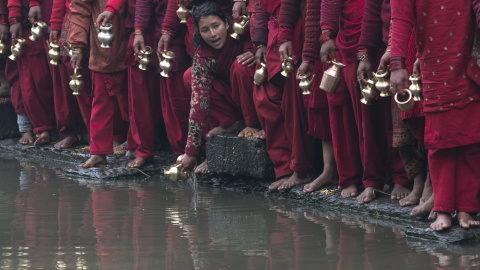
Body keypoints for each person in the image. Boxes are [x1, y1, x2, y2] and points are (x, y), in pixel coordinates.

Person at [390, 0, 480, 231]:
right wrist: (398, 64)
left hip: (468, 55)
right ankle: (442, 207)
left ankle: (466, 207)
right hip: (435, 61)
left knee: (470, 137)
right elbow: (400, 17)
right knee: (440, 139)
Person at [180, 2, 261, 172]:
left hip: (253, 98)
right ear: (199, 34)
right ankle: (233, 122)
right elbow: (198, 104)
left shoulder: (241, 34)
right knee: (189, 76)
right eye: (205, 30)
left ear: (226, 23)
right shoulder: (202, 56)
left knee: (241, 66)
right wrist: (191, 151)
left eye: (216, 26)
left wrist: (254, 52)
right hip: (230, 100)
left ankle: (252, 123)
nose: (213, 34)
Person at [254, 0, 314, 191]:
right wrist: (260, 41)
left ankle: (299, 169)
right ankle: (283, 168)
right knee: (265, 96)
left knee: (293, 102)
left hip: (297, 27)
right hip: (275, 31)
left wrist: (285, 35)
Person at [69, 0, 129, 168]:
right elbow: (79, 9)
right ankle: (99, 152)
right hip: (105, 45)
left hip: (136, 36)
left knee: (136, 99)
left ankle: (137, 145)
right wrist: (77, 47)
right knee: (100, 99)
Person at [294, 0, 338, 193]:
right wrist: (307, 56)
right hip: (319, 44)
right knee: (320, 106)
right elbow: (312, 13)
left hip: (348, 36)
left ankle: (367, 175)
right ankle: (329, 170)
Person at [8, 0, 55, 146]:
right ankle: (29, 128)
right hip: (23, 18)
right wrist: (10, 19)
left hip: (46, 15)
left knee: (41, 78)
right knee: (23, 79)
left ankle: (45, 126)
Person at [50, 0, 93, 149]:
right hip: (70, 19)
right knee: (68, 77)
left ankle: (95, 133)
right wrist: (55, 24)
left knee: (96, 79)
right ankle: (69, 132)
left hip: (99, 16)